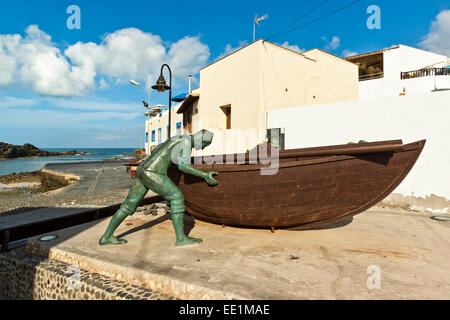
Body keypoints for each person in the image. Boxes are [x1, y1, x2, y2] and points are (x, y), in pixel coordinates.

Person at [99, 129, 218, 246]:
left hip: (142, 169)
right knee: (177, 197)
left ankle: (106, 237)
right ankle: (181, 239)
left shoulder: (178, 138)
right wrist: (204, 174)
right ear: (200, 139)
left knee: (128, 206)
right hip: (153, 173)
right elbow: (183, 166)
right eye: (204, 144)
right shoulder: (187, 141)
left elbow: (159, 151)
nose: (202, 148)